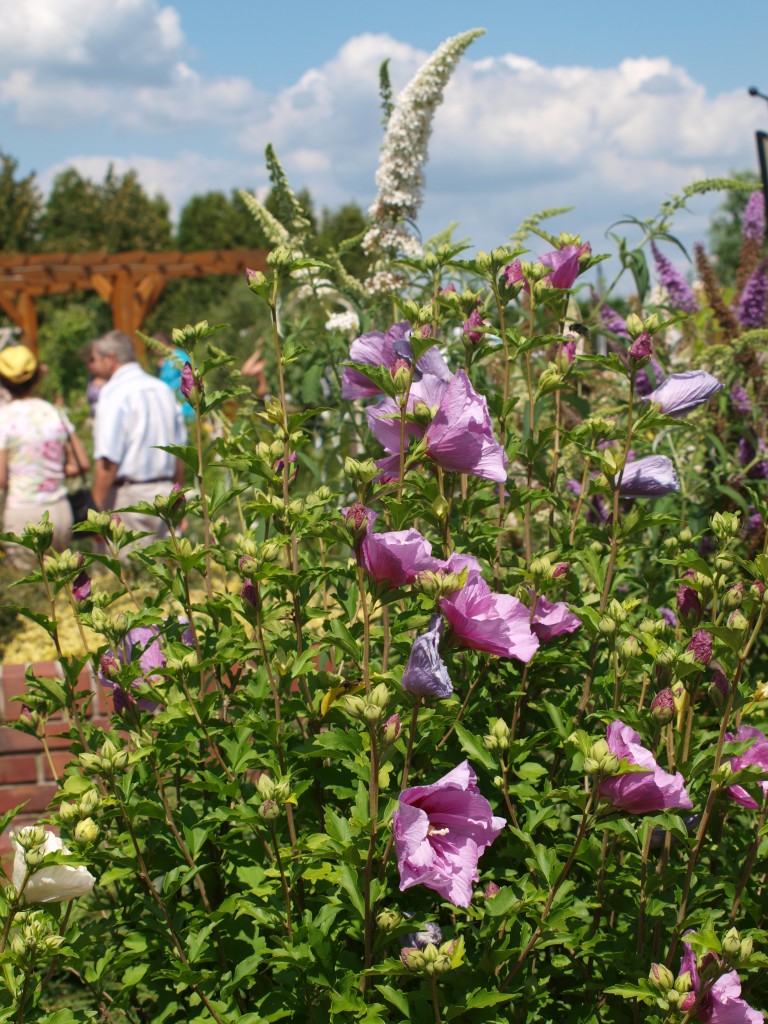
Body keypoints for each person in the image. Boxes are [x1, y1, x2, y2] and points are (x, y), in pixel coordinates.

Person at [87, 330, 187, 550]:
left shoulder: (113, 392)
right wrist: (178, 497)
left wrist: (95, 511)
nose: (92, 365)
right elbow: (180, 452)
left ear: (110, 358)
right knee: (163, 575)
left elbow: (108, 459)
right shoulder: (162, 389)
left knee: (126, 577)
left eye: (95, 358)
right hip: (164, 492)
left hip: (128, 498)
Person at [0, 345, 90, 567]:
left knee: (30, 590)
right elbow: (82, 464)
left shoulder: (4, 418)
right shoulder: (53, 412)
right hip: (60, 511)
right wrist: (50, 473)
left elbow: (1, 478)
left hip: (23, 512)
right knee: (61, 586)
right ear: (38, 377)